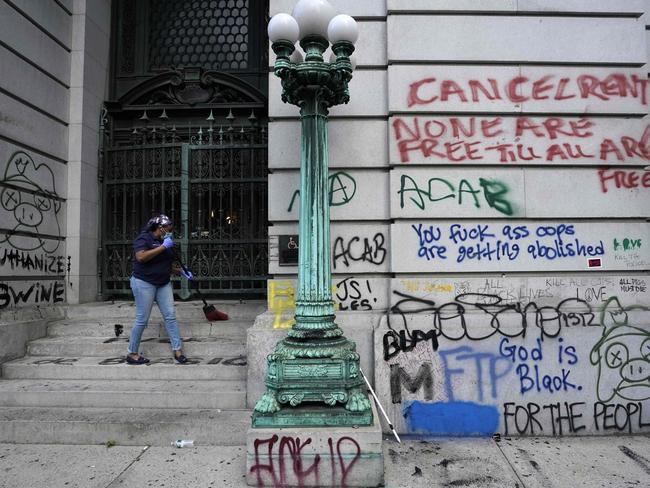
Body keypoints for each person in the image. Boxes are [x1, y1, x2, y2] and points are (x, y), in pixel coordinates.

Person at [126, 214, 193, 365]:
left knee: (170, 316)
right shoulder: (144, 239)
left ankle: (178, 351)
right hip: (144, 282)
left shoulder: (165, 241)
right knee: (142, 319)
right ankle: (132, 353)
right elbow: (141, 257)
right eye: (168, 228)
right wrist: (163, 247)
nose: (170, 230)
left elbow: (165, 265)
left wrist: (181, 272)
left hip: (163, 283)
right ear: (159, 228)